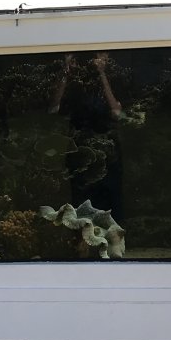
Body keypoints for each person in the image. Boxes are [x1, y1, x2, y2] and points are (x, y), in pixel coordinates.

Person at [47, 52, 125, 219]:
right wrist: (67, 70)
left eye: (102, 55)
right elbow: (53, 107)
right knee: (80, 204)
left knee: (110, 204)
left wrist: (102, 73)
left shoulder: (115, 76)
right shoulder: (75, 83)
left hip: (107, 151)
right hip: (79, 152)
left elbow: (117, 112)